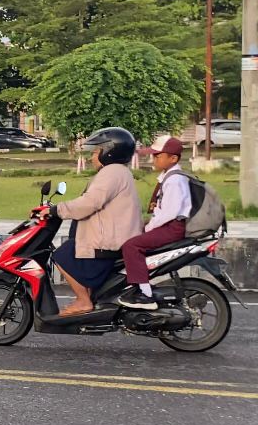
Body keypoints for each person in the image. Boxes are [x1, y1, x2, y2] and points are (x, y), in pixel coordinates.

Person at [50, 127, 143, 316]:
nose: (92, 157)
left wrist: (56, 209)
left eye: (95, 152)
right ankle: (91, 299)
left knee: (61, 254)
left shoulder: (111, 173)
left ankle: (83, 301)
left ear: (109, 152)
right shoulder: (120, 172)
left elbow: (90, 203)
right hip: (116, 236)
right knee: (71, 249)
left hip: (108, 242)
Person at [116, 136, 191, 310]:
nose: (154, 159)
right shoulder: (168, 176)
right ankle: (133, 280)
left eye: (158, 156)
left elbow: (169, 213)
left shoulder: (175, 180)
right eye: (154, 155)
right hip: (167, 224)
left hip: (172, 227)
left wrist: (148, 228)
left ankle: (145, 293)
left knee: (131, 246)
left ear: (173, 158)